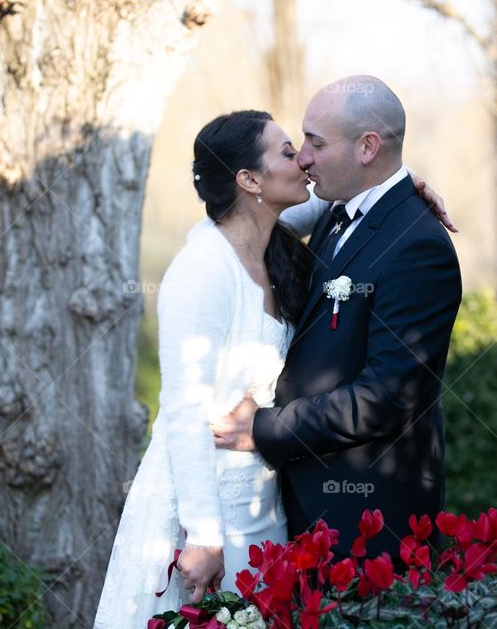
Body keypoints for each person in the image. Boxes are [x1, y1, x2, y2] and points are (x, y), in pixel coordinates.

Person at [93, 108, 452, 627]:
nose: (304, 161)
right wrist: (202, 535)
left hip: (267, 504)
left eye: (307, 147)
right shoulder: (202, 271)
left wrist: (404, 186)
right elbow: (183, 411)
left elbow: (351, 201)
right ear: (248, 179)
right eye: (288, 151)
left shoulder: (271, 239)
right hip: (206, 505)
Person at [212, 76, 463, 564]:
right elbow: (243, 227)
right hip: (303, 504)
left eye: (316, 143)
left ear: (368, 147)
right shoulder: (335, 210)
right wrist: (404, 181)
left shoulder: (419, 248)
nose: (302, 156)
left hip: (364, 521)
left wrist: (264, 429)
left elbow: (385, 397)